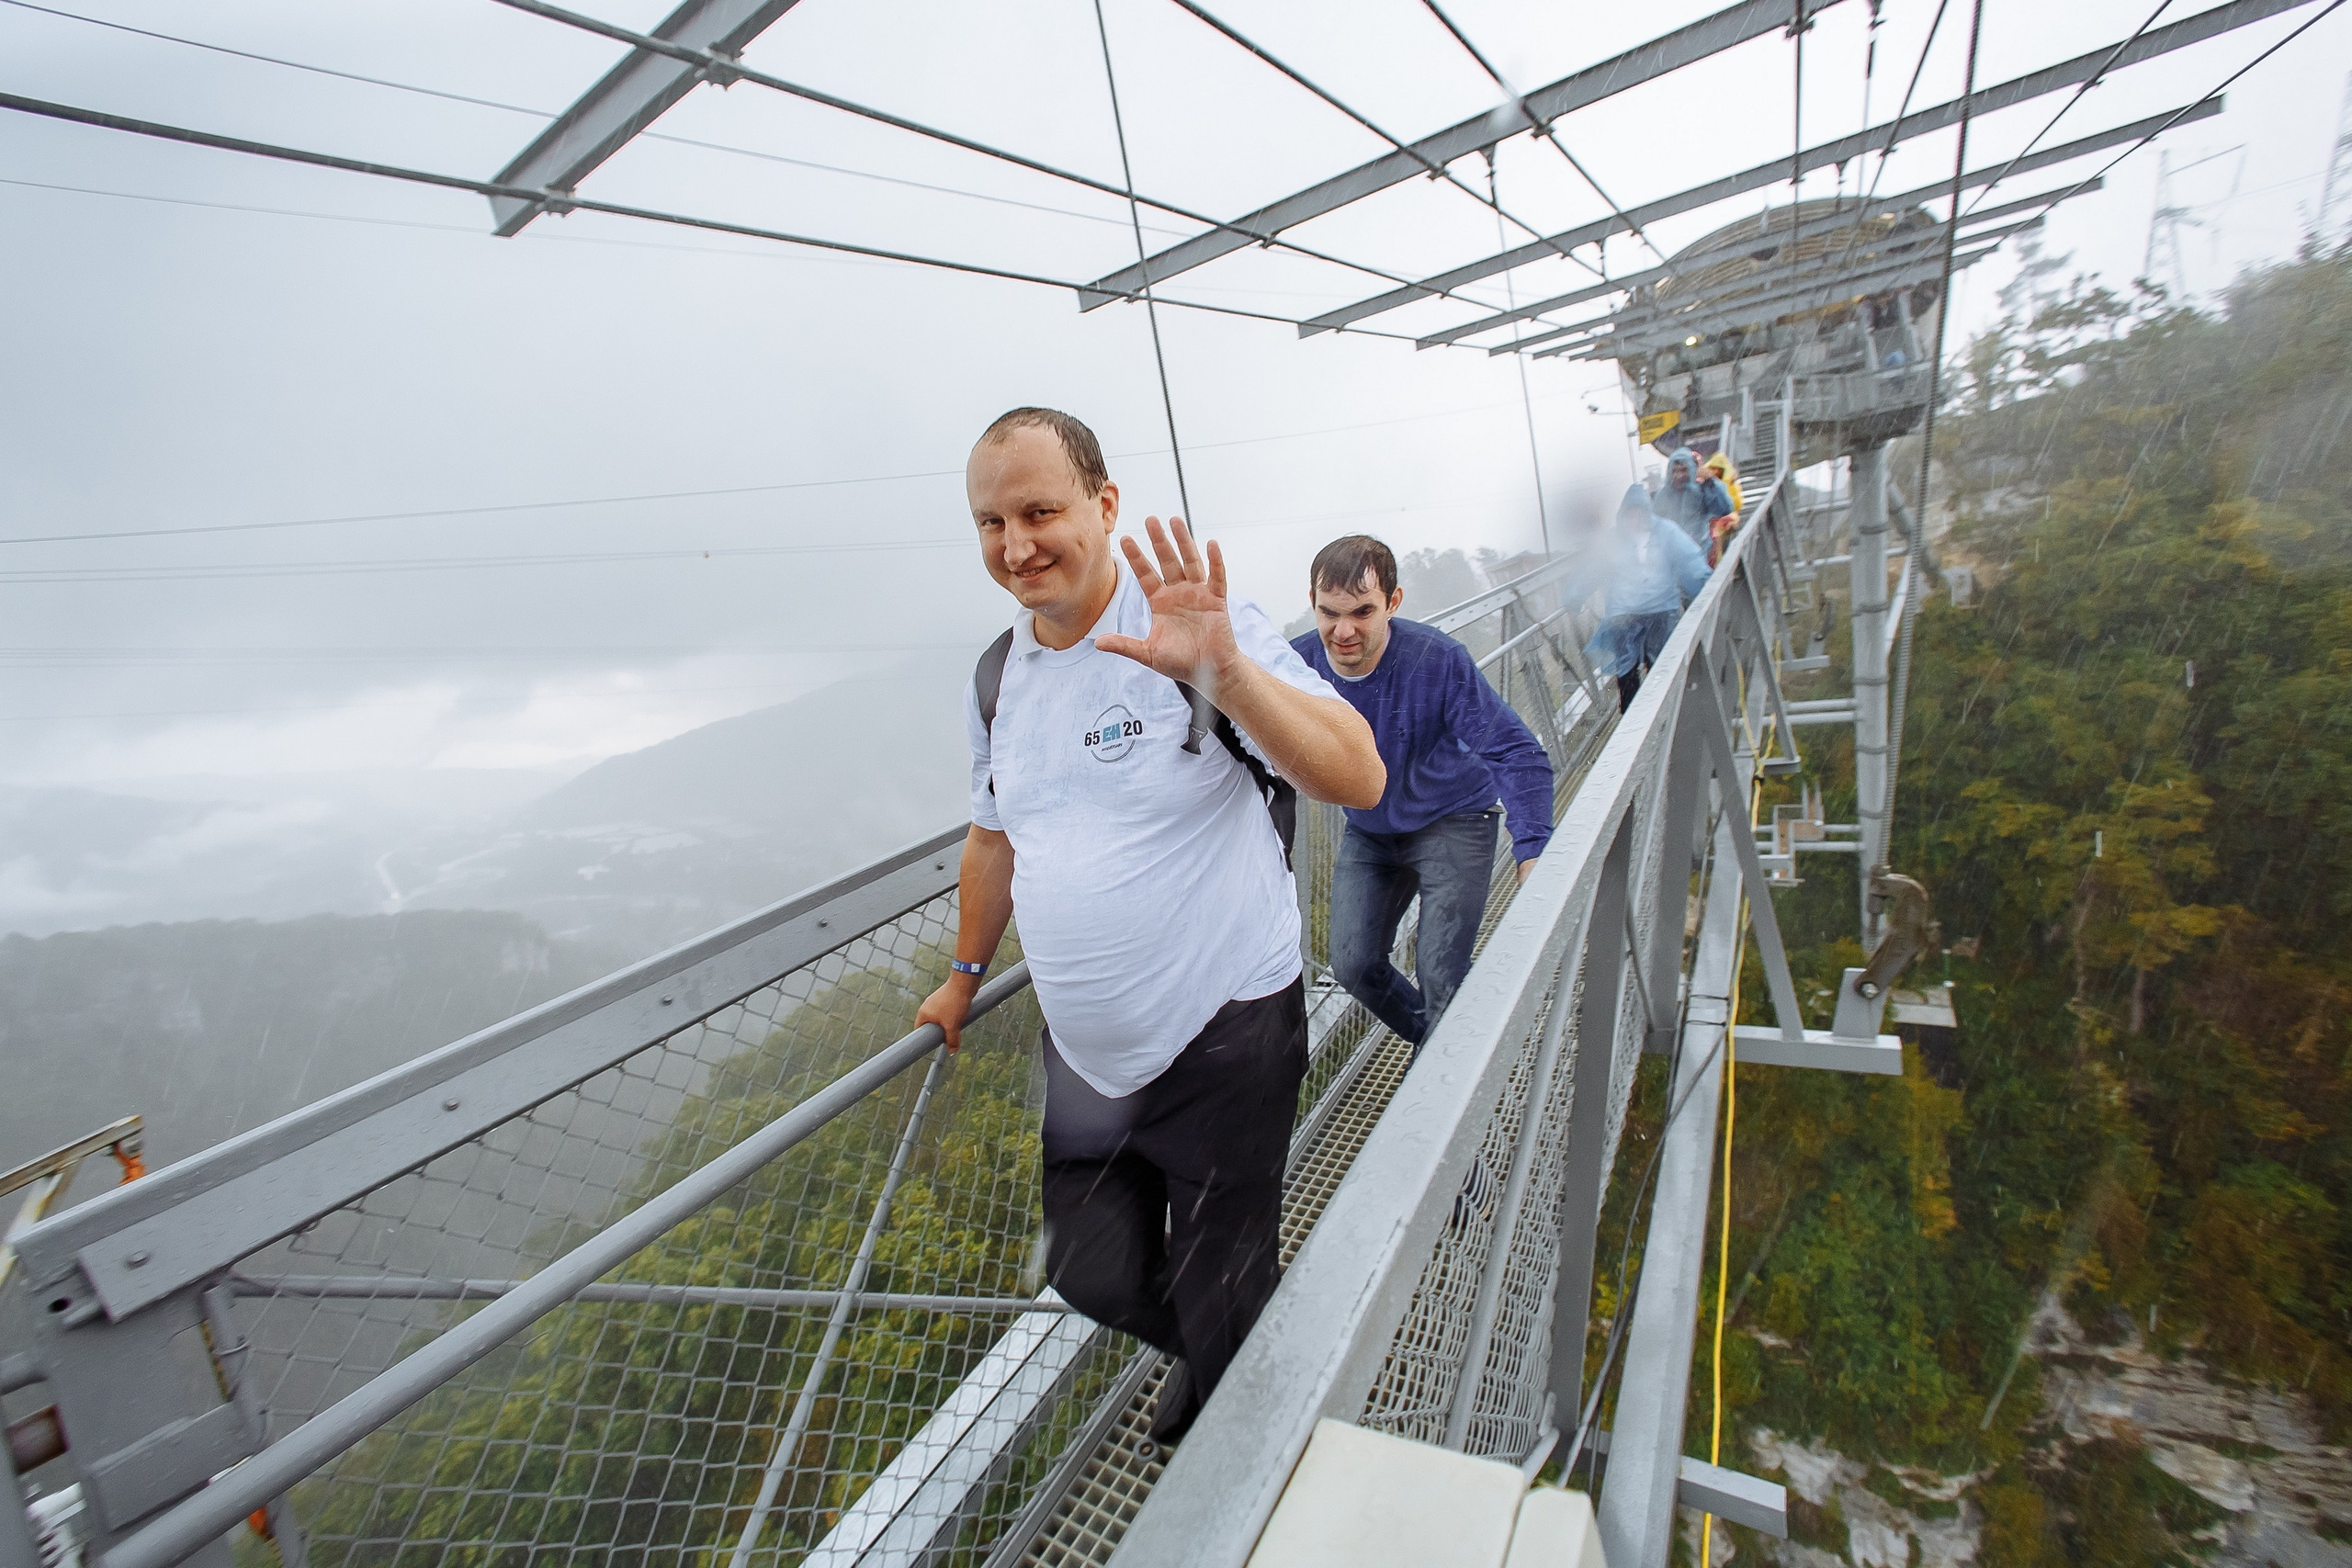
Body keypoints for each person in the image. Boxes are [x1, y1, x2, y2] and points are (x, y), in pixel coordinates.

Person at [914, 408, 1385, 1450]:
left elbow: (1356, 772)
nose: (1016, 544)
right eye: (991, 522)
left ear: (1105, 504)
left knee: (1223, 1285)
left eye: (1040, 510)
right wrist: (960, 974)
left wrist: (1223, 671)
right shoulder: (996, 680)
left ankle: (1241, 1406)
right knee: (1090, 1272)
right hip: (1089, 1056)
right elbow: (994, 842)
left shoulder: (1195, 626)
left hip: (1226, 1031)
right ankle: (1227, 1354)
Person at [1288, 535, 1555, 1056]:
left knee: (1440, 970)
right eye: (1328, 613)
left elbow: (1515, 751)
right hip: (1373, 829)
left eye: (1362, 612)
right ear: (1313, 605)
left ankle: (1444, 1061)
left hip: (1455, 817)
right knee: (1353, 963)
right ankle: (1441, 1045)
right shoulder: (1297, 665)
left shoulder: (1436, 661)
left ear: (1393, 603)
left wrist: (1533, 848)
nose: (1342, 632)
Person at [1581, 481, 1713, 711]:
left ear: (1647, 513)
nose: (1634, 519)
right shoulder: (1613, 540)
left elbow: (1689, 558)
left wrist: (1705, 583)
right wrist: (1576, 593)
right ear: (1622, 515)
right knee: (1626, 670)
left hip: (1659, 611)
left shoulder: (1666, 531)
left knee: (1659, 666)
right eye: (1629, 514)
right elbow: (1591, 568)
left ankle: (1662, 712)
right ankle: (1631, 719)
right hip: (1624, 615)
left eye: (1639, 514)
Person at [1651, 445, 1733, 553]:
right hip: (1672, 555)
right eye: (1674, 471)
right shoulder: (1662, 496)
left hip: (1700, 553)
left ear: (1692, 470)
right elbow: (1654, 527)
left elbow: (1724, 509)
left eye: (1684, 470)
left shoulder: (1701, 491)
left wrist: (1711, 482)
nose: (1678, 475)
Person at [1701, 451, 1745, 566]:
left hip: (1724, 524)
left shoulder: (1727, 484)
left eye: (1718, 470)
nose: (1716, 473)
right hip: (1713, 524)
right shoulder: (1708, 484)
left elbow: (1736, 503)